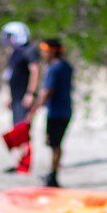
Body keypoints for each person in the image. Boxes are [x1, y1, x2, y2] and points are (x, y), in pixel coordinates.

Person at [29, 38, 74, 188]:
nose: (43, 53)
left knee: (54, 144)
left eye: (45, 50)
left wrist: (34, 109)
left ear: (53, 51)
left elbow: (47, 91)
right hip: (66, 110)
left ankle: (53, 177)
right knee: (56, 144)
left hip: (56, 112)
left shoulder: (54, 68)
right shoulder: (66, 66)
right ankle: (53, 173)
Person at [0, 22, 40, 173]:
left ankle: (25, 164)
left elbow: (35, 71)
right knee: (17, 129)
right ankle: (19, 162)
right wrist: (8, 95)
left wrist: (30, 93)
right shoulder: (15, 52)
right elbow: (9, 75)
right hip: (15, 97)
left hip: (24, 97)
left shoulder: (29, 51)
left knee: (23, 129)